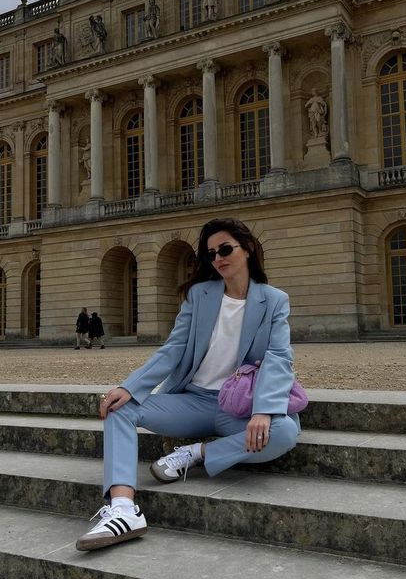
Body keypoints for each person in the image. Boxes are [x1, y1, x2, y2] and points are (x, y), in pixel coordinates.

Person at [76, 217, 299, 551]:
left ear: (248, 248)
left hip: (236, 406)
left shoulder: (274, 300)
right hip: (192, 401)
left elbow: (279, 357)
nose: (218, 258)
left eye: (225, 249)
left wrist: (265, 410)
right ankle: (123, 508)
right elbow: (174, 349)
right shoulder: (199, 295)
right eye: (211, 254)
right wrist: (130, 386)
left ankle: (196, 454)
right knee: (120, 409)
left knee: (284, 431)